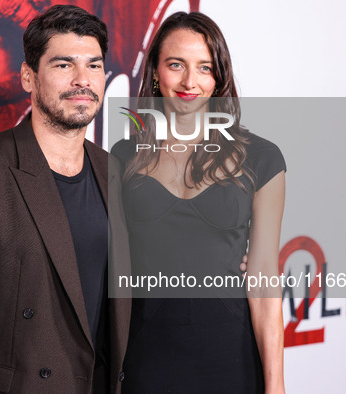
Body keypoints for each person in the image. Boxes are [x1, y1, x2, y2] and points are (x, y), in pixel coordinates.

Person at [0, 5, 131, 393]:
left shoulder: (114, 171)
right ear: (28, 77)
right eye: (63, 65)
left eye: (94, 66)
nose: (82, 80)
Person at [111, 12, 286, 393]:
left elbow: (264, 282)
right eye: (176, 65)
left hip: (231, 358)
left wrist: (275, 386)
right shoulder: (123, 157)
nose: (190, 82)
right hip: (145, 360)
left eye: (205, 68)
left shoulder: (262, 158)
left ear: (218, 77)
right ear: (156, 71)